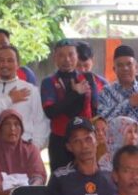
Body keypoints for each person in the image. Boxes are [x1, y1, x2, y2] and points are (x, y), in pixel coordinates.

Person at [41, 39, 99, 173]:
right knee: (60, 182)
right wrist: (74, 94)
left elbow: (95, 108)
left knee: (88, 177)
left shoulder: (88, 78)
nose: (66, 59)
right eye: (61, 55)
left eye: (70, 55)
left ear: (77, 56)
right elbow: (51, 112)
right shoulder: (49, 82)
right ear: (54, 58)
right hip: (60, 139)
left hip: (85, 139)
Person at [0, 44, 49, 147]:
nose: (5, 64)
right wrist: (10, 99)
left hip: (24, 148)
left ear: (17, 64)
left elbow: (40, 122)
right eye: (1, 60)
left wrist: (35, 147)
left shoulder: (30, 90)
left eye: (10, 61)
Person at [99, 44, 138, 159]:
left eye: (129, 64)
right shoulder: (106, 92)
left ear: (136, 67)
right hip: (116, 158)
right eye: (120, 65)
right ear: (114, 69)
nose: (125, 68)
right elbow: (103, 119)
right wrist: (128, 103)